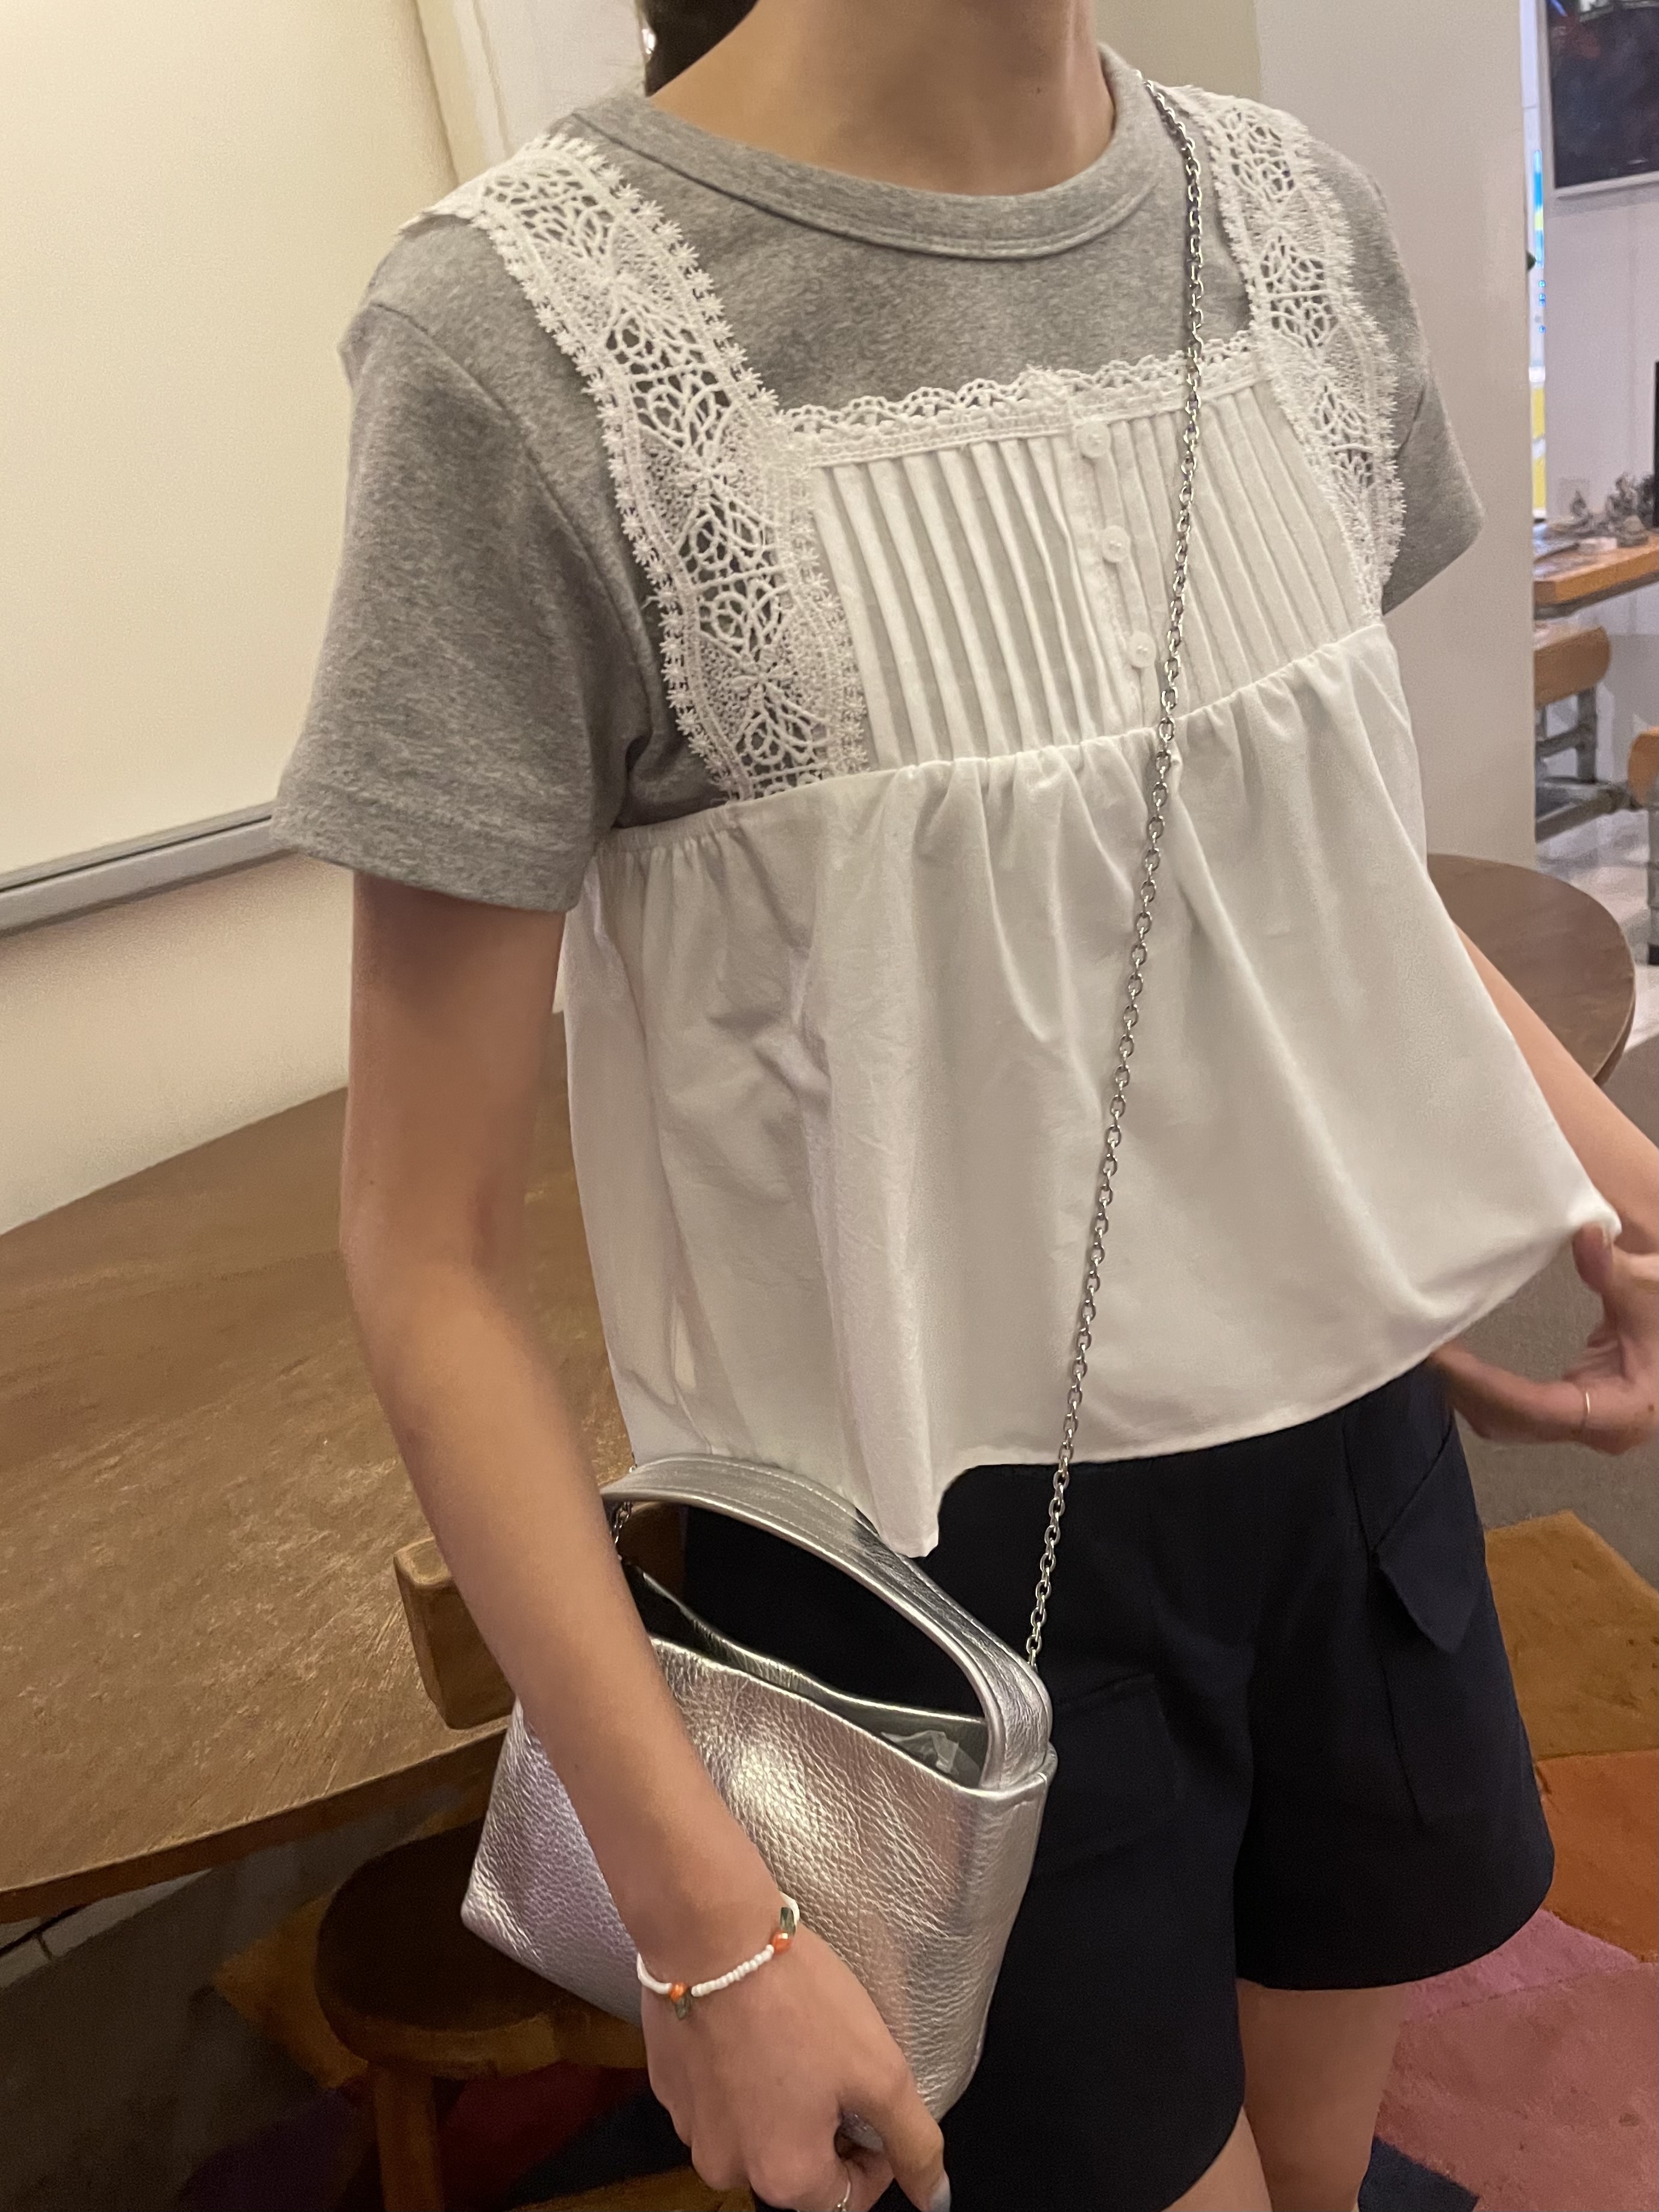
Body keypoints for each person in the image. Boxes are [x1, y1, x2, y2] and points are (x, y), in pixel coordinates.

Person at [272, 5, 1659, 2207]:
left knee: (1327, 2162)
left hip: (1352, 1449)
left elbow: (1306, 883)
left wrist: (1626, 1197)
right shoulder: (530, 340)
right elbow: (423, 1250)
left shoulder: (1293, 227)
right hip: (925, 1570)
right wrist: (706, 1930)